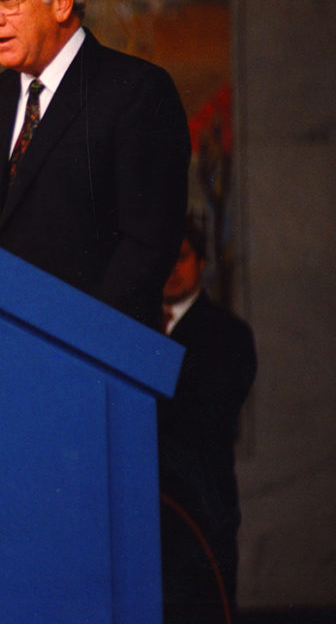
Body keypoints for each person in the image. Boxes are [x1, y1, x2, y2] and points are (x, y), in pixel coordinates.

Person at [0, 0, 191, 329]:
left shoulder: (135, 91)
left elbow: (147, 243)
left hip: (90, 355)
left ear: (62, 1)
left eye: (6, 0)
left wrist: (79, 333)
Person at [158, 220, 257, 624]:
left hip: (200, 510)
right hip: (146, 510)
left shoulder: (228, 334)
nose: (171, 268)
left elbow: (207, 416)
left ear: (200, 263)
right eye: (163, 259)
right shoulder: (131, 327)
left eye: (180, 257)